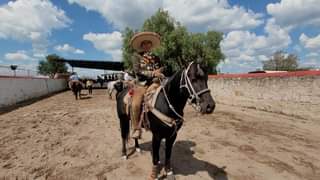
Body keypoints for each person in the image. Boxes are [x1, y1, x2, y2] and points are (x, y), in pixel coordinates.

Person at [130, 32, 165, 139]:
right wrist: (153, 73)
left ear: (151, 45)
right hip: (142, 84)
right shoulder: (136, 56)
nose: (147, 45)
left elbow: (159, 68)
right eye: (144, 43)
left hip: (155, 83)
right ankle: (136, 128)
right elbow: (138, 71)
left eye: (149, 43)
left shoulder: (156, 57)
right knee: (135, 104)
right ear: (141, 45)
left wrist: (160, 72)